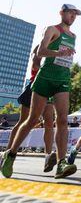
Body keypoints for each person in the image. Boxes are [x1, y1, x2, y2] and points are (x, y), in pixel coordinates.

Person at [0, 4, 81, 179]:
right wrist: (58, 53)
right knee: (32, 120)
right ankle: (10, 154)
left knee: (62, 120)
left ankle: (61, 163)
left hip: (62, 79)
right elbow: (41, 51)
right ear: (62, 13)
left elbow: (66, 56)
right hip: (45, 78)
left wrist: (65, 57)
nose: (73, 17)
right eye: (70, 13)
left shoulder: (73, 36)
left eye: (75, 15)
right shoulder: (52, 29)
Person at [1, 45, 57, 173]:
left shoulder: (59, 49)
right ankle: (8, 154)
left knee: (49, 122)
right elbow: (35, 66)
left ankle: (48, 156)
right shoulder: (40, 48)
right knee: (24, 121)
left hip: (49, 88)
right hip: (35, 86)